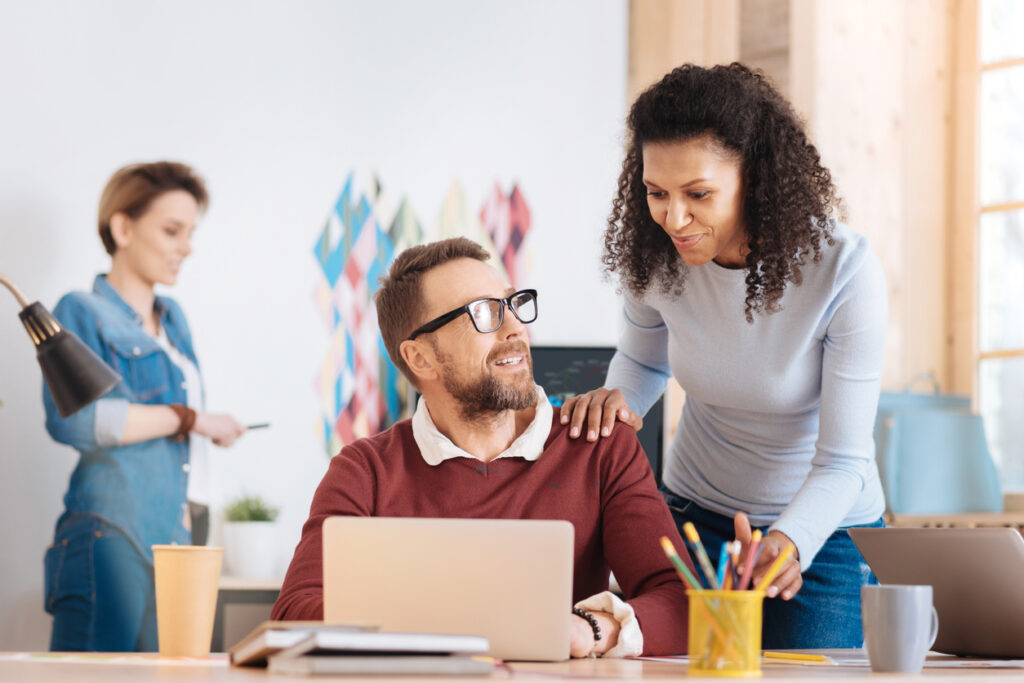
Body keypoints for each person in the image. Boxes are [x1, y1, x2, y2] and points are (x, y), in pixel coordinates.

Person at [560, 63, 887, 649]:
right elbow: (643, 361)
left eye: (699, 194)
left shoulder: (844, 271)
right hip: (693, 519)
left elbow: (844, 462)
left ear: (755, 179)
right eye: (656, 193)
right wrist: (619, 402)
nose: (674, 219)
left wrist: (788, 541)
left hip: (823, 538)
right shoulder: (658, 257)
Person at [272, 238, 693, 658]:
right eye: (484, 313)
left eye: (512, 305)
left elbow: (682, 603)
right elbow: (294, 613)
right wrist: (466, 624)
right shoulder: (364, 471)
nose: (515, 329)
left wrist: (589, 629)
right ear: (421, 358)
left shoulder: (599, 446)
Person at [42, 161, 247, 652]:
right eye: (172, 230)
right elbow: (78, 420)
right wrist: (192, 420)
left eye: (191, 232)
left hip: (177, 538)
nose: (187, 247)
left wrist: (201, 427)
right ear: (123, 226)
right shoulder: (79, 310)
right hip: (112, 533)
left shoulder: (174, 320)